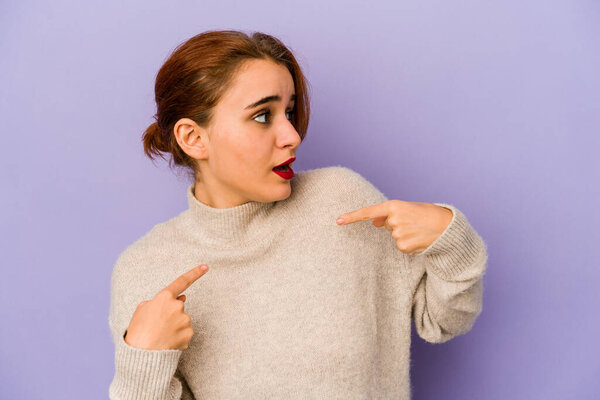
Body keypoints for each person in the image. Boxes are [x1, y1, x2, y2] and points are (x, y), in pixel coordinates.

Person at [108, 29, 488, 400]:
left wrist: (450, 238)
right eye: (262, 116)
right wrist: (144, 362)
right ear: (193, 138)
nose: (292, 135)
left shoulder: (341, 202)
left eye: (289, 111)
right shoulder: (145, 270)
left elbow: (443, 320)